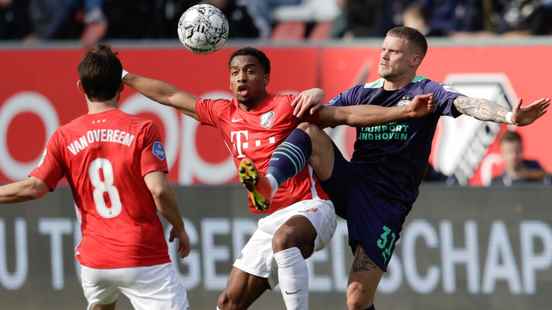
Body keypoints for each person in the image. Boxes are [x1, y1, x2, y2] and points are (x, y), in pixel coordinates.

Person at [241, 26, 550, 310]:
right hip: (352, 182)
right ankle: (269, 183)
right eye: (383, 49)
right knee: (309, 130)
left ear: (414, 59)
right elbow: (323, 114)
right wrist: (316, 94)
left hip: (386, 203)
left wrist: (509, 117)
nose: (384, 55)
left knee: (357, 300)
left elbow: (468, 105)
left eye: (394, 51)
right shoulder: (362, 92)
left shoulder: (427, 92)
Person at [122, 46, 434, 310]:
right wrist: (124, 77)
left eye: (250, 70)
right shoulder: (222, 113)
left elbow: (345, 115)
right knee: (229, 302)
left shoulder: (286, 105)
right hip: (271, 217)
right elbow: (171, 96)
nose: (242, 77)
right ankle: (265, 189)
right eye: (235, 72)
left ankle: (269, 185)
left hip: (311, 207)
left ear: (266, 77)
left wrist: (404, 112)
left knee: (284, 240)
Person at [0, 45, 191, 310]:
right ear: (121, 88)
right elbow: (158, 191)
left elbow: (33, 188)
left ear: (80, 87)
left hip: (94, 262)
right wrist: (179, 227)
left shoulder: (64, 136)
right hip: (141, 255)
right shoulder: (142, 129)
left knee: (103, 303)